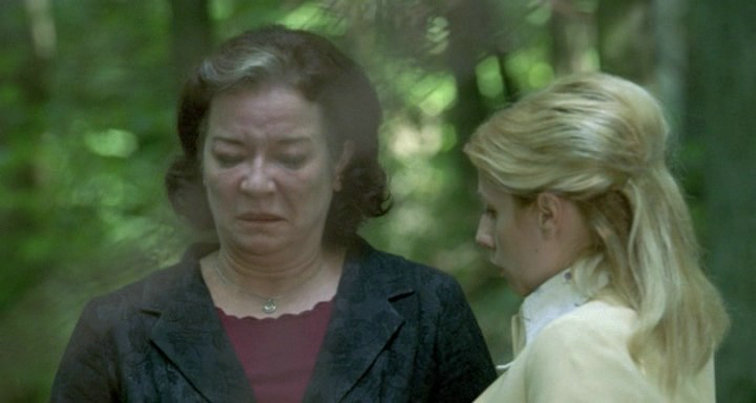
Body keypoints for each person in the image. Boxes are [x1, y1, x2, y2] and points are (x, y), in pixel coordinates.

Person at [51, 25, 496, 402]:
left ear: (340, 162)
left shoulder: (427, 309)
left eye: (289, 157)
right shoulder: (116, 329)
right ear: (200, 163)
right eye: (230, 156)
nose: (257, 183)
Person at [464, 73, 729, 402]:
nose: (483, 235)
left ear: (548, 214)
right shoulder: (662, 333)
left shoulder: (576, 343)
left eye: (493, 211)